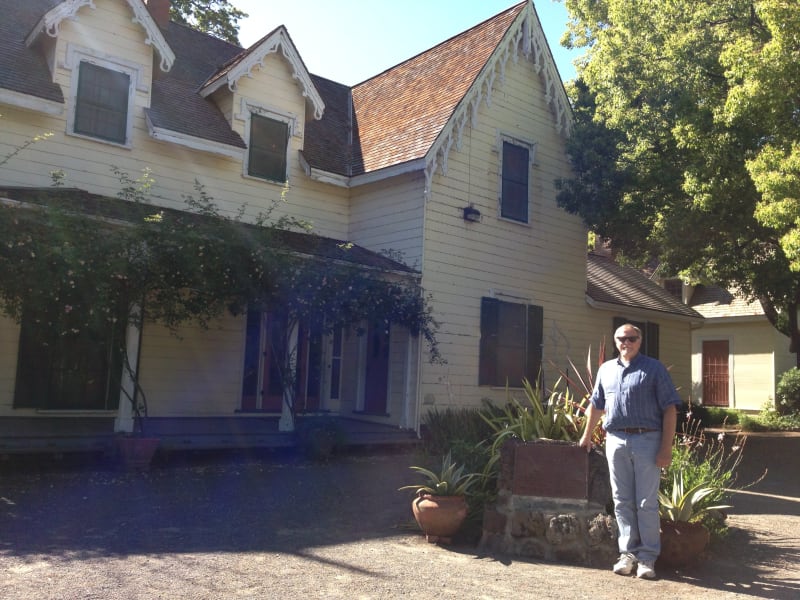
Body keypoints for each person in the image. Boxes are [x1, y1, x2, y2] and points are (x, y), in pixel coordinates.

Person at [578, 323, 680, 580]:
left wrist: (665, 448)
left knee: (645, 502)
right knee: (622, 501)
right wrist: (587, 435)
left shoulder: (654, 369)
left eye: (632, 338)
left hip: (648, 440)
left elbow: (670, 409)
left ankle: (647, 558)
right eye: (622, 338)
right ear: (615, 341)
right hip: (615, 440)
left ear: (640, 340)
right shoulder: (606, 370)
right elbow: (596, 405)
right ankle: (627, 554)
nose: (627, 342)